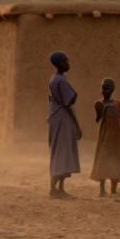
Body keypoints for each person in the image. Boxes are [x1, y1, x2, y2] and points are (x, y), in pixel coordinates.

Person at [46, 51, 82, 199]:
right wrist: (77, 125)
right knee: (61, 153)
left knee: (62, 152)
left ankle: (59, 189)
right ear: (60, 63)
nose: (68, 64)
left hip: (58, 119)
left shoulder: (56, 79)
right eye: (66, 61)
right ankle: (54, 189)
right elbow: (68, 102)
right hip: (62, 119)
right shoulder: (59, 80)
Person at [90, 78, 120, 197]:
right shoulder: (99, 104)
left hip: (116, 141)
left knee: (115, 164)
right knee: (103, 164)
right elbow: (98, 119)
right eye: (103, 87)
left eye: (108, 88)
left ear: (113, 89)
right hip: (105, 140)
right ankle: (102, 191)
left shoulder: (118, 104)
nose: (105, 90)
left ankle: (113, 191)